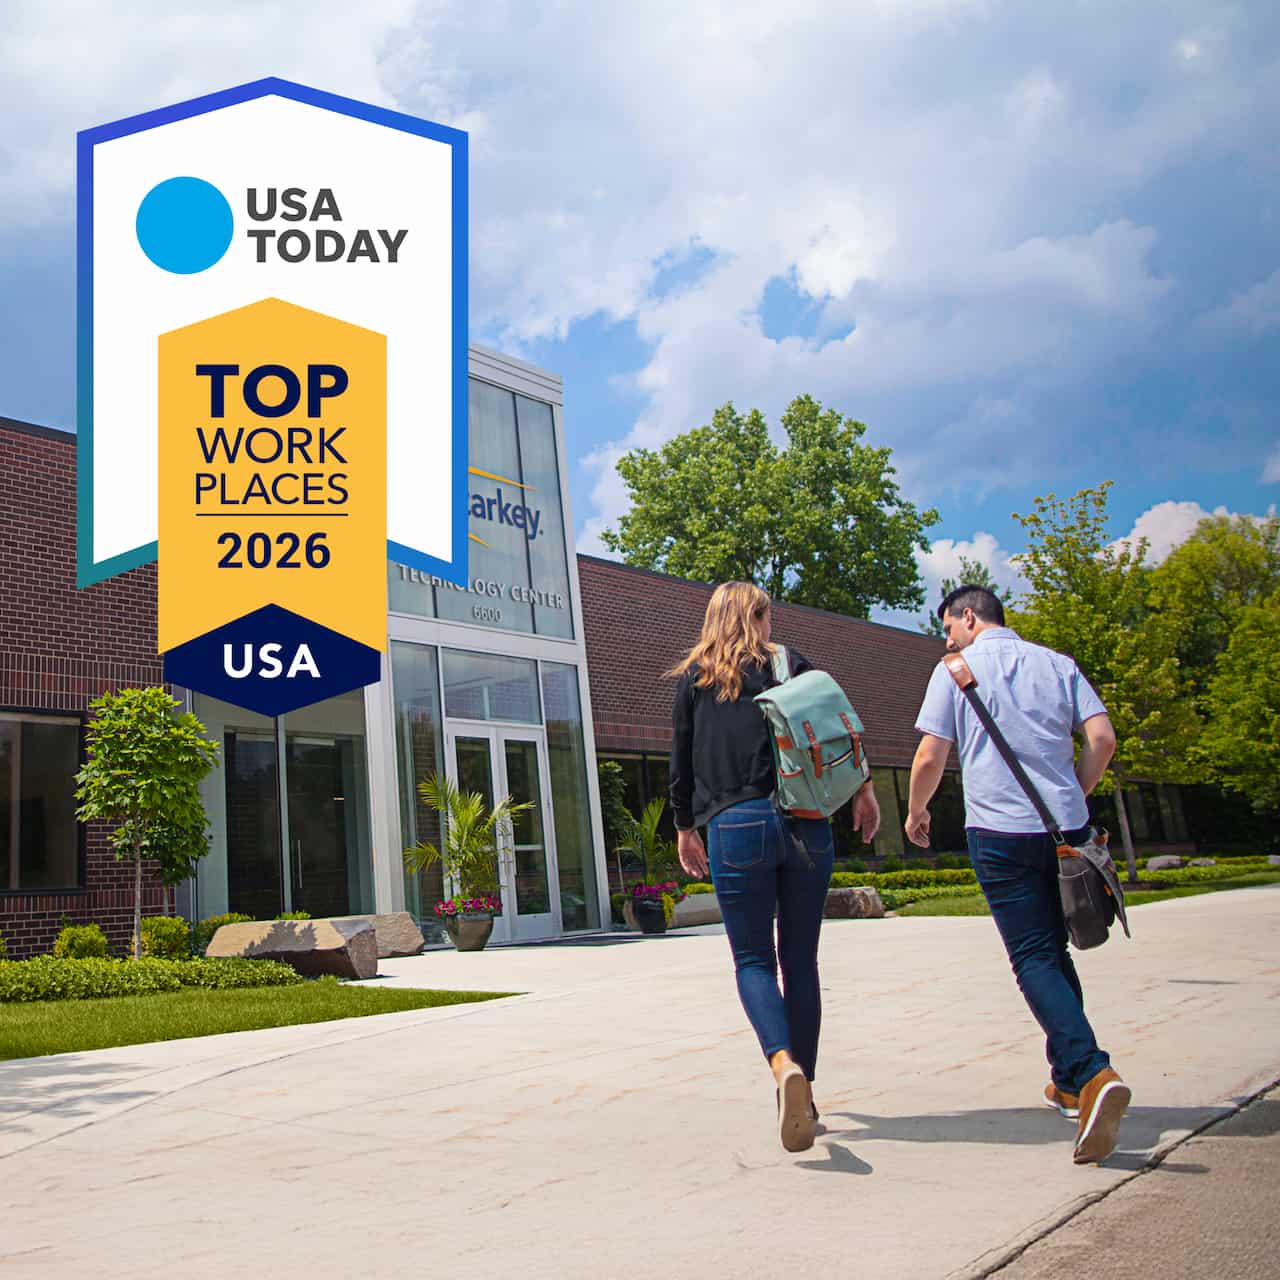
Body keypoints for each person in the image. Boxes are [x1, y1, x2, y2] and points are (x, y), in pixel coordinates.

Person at [906, 584, 1130, 1165]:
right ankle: (1069, 1082)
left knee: (1033, 955)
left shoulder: (953, 671)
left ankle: (1093, 1071)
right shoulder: (1058, 665)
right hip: (1066, 832)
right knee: (1054, 953)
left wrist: (916, 810)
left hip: (1000, 832)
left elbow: (930, 755)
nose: (947, 640)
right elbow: (1102, 739)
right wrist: (1074, 793)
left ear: (969, 617)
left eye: (948, 628)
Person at [669, 581, 881, 1152]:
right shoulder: (789, 664)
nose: (772, 626)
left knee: (753, 960)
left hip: (736, 825)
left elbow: (680, 761)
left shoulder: (695, 678)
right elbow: (837, 726)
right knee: (800, 961)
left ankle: (782, 1063)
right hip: (806, 820)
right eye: (768, 615)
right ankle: (805, 1095)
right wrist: (864, 788)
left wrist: (685, 827)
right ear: (757, 616)